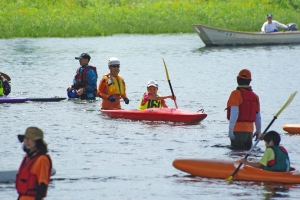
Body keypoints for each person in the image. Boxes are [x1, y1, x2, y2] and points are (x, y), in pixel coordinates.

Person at [226, 69, 261, 150]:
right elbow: (258, 115)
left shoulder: (235, 94)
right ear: (250, 81)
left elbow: (235, 112)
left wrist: (230, 130)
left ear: (237, 79)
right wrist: (258, 131)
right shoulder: (255, 96)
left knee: (236, 155)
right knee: (246, 154)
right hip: (249, 132)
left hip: (237, 131)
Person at [16, 127, 52, 200]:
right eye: (25, 138)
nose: (27, 141)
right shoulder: (27, 158)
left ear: (37, 142)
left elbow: (42, 185)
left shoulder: (42, 159)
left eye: (31, 139)